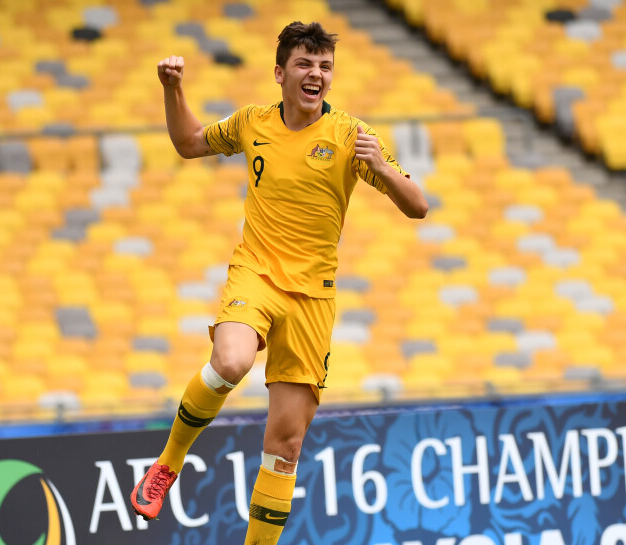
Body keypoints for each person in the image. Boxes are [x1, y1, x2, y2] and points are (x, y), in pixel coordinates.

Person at [130, 21, 428, 545]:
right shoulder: (253, 123)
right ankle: (167, 464)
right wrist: (172, 89)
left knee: (284, 449)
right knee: (231, 361)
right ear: (280, 73)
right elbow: (188, 143)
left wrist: (381, 165)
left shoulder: (353, 137)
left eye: (325, 66)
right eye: (305, 64)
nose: (316, 74)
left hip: (313, 299)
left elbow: (418, 206)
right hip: (258, 274)